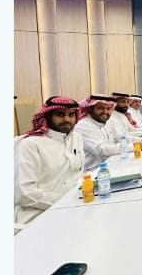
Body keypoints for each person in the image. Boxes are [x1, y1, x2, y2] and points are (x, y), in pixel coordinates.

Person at [14, 97, 84, 225]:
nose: (67, 119)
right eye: (60, 114)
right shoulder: (30, 144)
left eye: (71, 115)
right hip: (37, 216)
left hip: (73, 208)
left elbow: (77, 174)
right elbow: (24, 193)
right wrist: (66, 201)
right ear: (48, 116)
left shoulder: (77, 138)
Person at [73, 94, 121, 170]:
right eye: (100, 108)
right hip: (91, 171)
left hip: (107, 165)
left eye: (108, 108)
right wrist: (135, 146)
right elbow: (102, 150)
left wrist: (138, 142)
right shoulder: (83, 125)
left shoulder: (102, 123)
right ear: (90, 109)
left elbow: (119, 137)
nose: (105, 112)